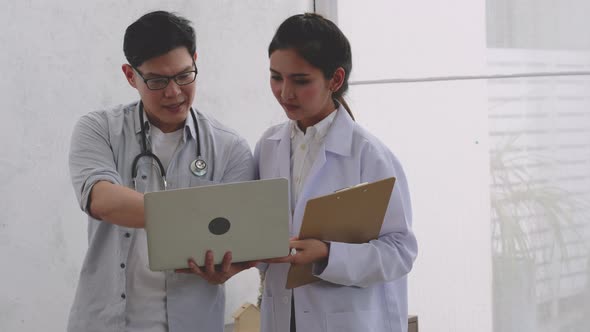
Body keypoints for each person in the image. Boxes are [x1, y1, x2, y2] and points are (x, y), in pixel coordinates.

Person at [68, 11, 256, 332]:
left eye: (184, 75)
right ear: (131, 76)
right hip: (107, 323)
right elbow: (101, 199)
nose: (174, 92)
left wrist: (231, 267)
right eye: (156, 80)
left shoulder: (230, 147)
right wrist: (199, 217)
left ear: (195, 61)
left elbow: (244, 237)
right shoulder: (98, 129)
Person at [254, 13, 418, 332]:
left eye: (301, 81)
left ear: (335, 79)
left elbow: (400, 251)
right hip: (281, 316)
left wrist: (327, 255)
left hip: (348, 320)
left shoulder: (369, 155)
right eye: (276, 77)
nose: (285, 92)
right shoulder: (268, 146)